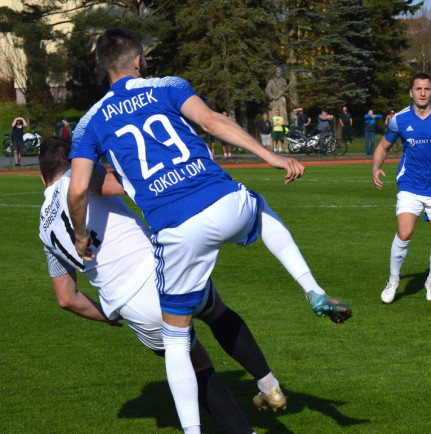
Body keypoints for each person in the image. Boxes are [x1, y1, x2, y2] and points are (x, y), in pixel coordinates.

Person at [67, 28, 352, 434]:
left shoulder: (88, 123)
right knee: (260, 210)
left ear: (103, 69)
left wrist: (81, 237)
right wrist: (270, 156)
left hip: (176, 229)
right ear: (137, 62)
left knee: (178, 339)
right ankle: (311, 288)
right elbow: (214, 121)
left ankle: (192, 431)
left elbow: (78, 188)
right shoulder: (167, 86)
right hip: (223, 200)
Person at [38, 137, 286, 434]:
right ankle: (267, 383)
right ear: (73, 163)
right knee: (215, 311)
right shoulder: (78, 176)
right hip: (163, 272)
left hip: (129, 302)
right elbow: (126, 182)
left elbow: (67, 298)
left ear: (41, 177)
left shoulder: (43, 228)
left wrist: (111, 317)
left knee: (196, 365)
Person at [372, 72, 431, 303]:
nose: (422, 93)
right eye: (418, 89)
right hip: (410, 184)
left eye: (427, 89)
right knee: (404, 233)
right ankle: (393, 280)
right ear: (411, 92)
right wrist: (375, 168)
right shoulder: (400, 119)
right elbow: (383, 146)